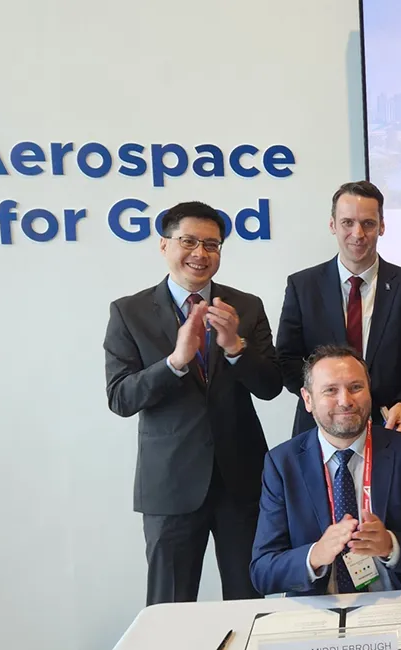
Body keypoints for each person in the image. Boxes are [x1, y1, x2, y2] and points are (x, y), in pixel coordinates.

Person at [103, 200, 283, 605]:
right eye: (189, 241)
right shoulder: (129, 312)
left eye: (212, 244)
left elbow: (271, 385)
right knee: (170, 604)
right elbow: (120, 396)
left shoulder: (246, 307)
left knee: (248, 600)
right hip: (170, 485)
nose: (200, 254)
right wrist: (175, 362)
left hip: (241, 480)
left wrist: (236, 347)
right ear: (164, 245)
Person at [250, 345, 401, 595]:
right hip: (317, 610)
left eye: (356, 387)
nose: (345, 401)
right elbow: (262, 572)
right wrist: (315, 555)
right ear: (307, 399)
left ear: (370, 392)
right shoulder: (282, 464)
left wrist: (391, 545)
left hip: (393, 604)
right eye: (330, 390)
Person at [276, 181, 401, 437]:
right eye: (347, 222)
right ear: (333, 225)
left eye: (368, 223)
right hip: (320, 428)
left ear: (382, 226)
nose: (358, 233)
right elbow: (287, 358)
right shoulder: (302, 286)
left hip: (390, 426)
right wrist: (322, 402)